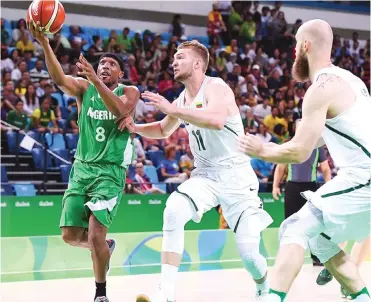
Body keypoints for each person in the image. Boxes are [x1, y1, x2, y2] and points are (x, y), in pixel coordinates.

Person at [119, 40, 273, 302]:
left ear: (198, 64)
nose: (174, 62)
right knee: (174, 210)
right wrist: (136, 129)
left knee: (249, 255)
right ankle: (166, 294)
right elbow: (164, 129)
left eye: (180, 57)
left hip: (237, 176)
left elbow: (216, 120)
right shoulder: (182, 98)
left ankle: (263, 287)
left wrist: (173, 109)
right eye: (174, 58)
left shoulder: (217, 87)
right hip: (205, 174)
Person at [237, 19, 371, 301]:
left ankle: (272, 298)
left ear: (304, 46)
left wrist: (260, 149)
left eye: (297, 46)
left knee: (293, 227)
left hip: (364, 178)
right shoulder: (352, 80)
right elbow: (320, 138)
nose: (295, 52)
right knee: (320, 239)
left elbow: (299, 151)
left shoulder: (320, 89)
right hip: (362, 180)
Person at [29, 22, 139, 302]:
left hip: (109, 173)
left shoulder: (130, 91)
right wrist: (44, 43)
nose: (104, 66)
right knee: (69, 235)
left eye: (111, 64)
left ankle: (100, 294)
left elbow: (120, 110)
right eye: (101, 63)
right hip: (82, 170)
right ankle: (104, 246)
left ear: (121, 73)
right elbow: (58, 79)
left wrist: (96, 80)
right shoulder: (83, 89)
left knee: (94, 235)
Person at [272, 120, 332, 266]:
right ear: (295, 128)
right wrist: (275, 186)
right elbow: (280, 167)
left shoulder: (317, 148)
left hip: (311, 187)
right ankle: (288, 257)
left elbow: (325, 169)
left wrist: (329, 189)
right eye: (299, 126)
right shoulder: (289, 145)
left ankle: (317, 257)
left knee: (314, 222)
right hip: (292, 187)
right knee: (290, 222)